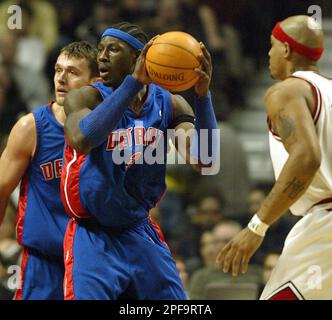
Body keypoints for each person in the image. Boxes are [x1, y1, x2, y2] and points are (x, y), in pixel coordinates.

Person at [60, 21, 219, 300]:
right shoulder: (86, 96)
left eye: (113, 50)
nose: (102, 57)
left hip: (138, 229)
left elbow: (205, 160)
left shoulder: (169, 103)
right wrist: (133, 83)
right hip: (93, 234)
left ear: (138, 57)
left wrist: (202, 96)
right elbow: (83, 139)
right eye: (100, 49)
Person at [217, 15, 332, 300]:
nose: (268, 53)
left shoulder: (286, 91)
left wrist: (257, 225)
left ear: (286, 49)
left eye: (272, 45)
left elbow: (306, 157)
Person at [0, 41, 99, 299]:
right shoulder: (30, 128)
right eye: (58, 70)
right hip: (43, 265)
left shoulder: (109, 130)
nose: (61, 79)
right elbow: (0, 190)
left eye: (73, 72)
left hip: (93, 263)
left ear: (94, 82)